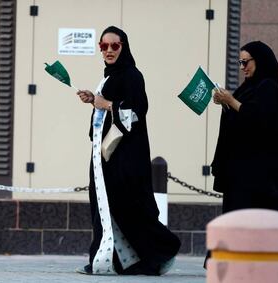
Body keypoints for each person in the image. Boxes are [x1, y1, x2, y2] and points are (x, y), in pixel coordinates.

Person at [75, 26, 180, 276]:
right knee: (107, 209)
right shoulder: (110, 75)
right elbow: (108, 108)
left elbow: (137, 112)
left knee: (131, 208)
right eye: (104, 46)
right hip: (108, 157)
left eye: (115, 46)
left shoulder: (132, 75)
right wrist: (94, 99)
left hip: (126, 160)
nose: (109, 51)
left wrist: (107, 104)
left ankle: (163, 249)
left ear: (124, 47)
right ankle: (109, 261)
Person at [204, 41, 278, 267]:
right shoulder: (248, 87)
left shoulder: (268, 87)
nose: (242, 67)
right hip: (243, 171)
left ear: (260, 61)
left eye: (246, 62)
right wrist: (226, 105)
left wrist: (231, 101)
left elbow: (258, 119)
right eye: (240, 62)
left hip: (261, 175)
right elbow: (239, 120)